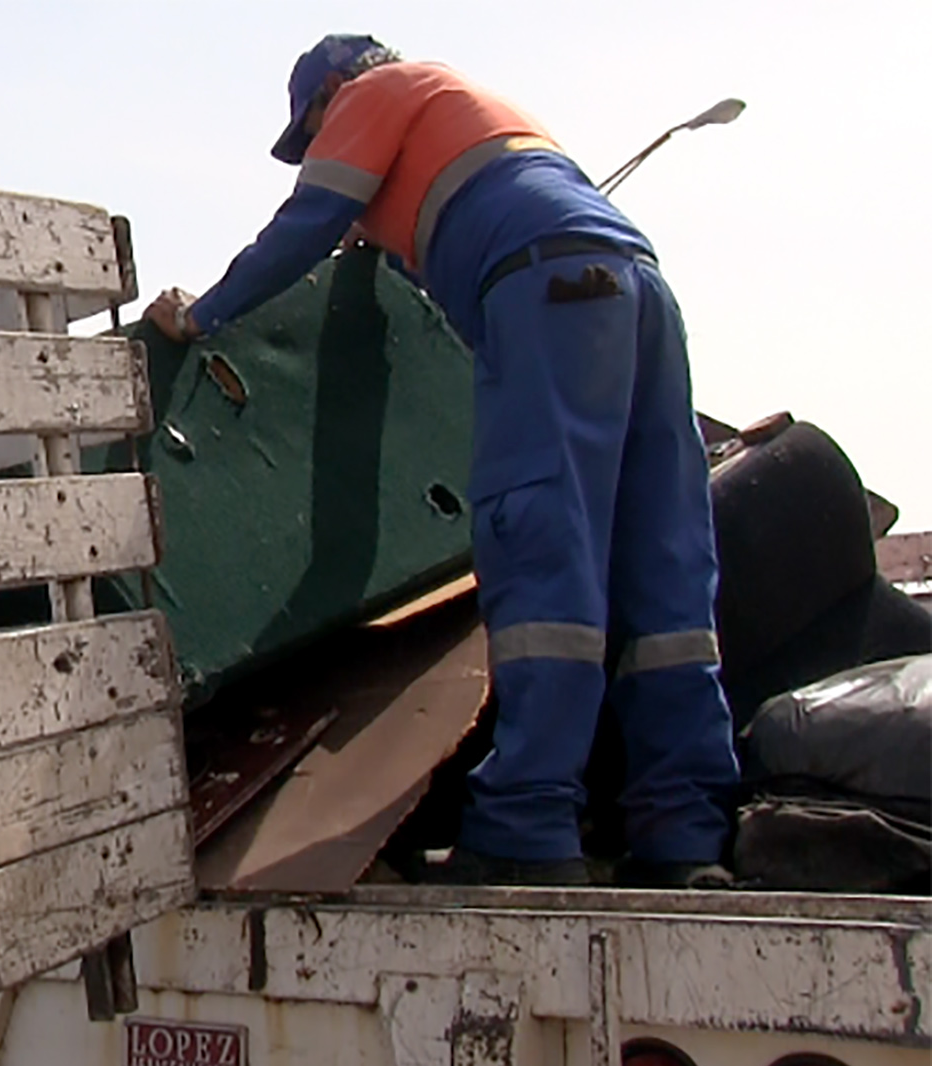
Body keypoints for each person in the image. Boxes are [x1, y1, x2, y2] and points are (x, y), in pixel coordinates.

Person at [143, 35, 738, 887]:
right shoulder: (471, 114)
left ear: (333, 93)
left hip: (544, 295)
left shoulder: (373, 94)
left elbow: (305, 225)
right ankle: (683, 835)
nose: (317, 154)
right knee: (663, 564)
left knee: (540, 545)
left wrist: (206, 313)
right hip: (635, 288)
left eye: (311, 138)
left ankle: (529, 826)